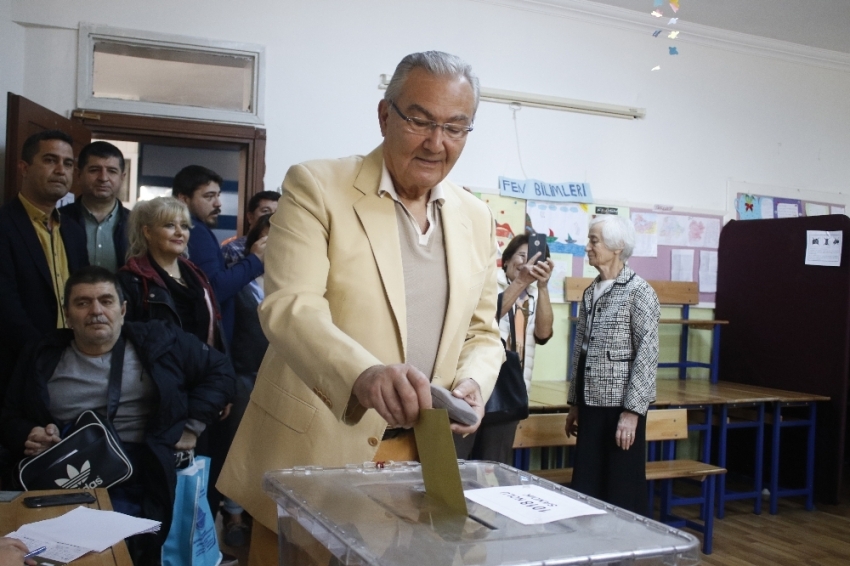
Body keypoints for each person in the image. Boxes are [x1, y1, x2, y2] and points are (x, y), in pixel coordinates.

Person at [218, 50, 503, 564]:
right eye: (420, 120)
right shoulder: (317, 186)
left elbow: (484, 332)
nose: (437, 143)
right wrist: (363, 374)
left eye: (456, 128)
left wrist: (474, 384)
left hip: (423, 459)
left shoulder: (475, 216)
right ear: (384, 115)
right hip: (316, 451)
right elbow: (290, 306)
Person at [0, 266, 234, 563]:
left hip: (143, 473)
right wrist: (28, 433)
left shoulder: (159, 343)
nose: (96, 311)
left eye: (106, 301)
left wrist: (191, 427)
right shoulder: (41, 357)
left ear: (123, 310)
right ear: (68, 314)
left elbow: (221, 371)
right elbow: (9, 417)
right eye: (83, 303)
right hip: (66, 478)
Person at [564, 215, 660, 514]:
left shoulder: (639, 292)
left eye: (594, 240)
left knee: (620, 485)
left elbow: (647, 354)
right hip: (591, 406)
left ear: (617, 247)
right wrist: (575, 403)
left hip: (622, 409)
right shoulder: (591, 291)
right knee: (587, 485)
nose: (588, 247)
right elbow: (581, 350)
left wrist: (632, 412)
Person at [0, 130, 88, 404]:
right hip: (14, 366)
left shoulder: (73, 231)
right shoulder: (4, 225)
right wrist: (42, 355)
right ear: (24, 168)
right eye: (50, 160)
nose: (61, 170)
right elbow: (6, 304)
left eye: (68, 163)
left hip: (70, 364)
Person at [468, 233, 554, 464]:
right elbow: (487, 317)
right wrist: (521, 282)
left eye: (534, 258)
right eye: (521, 255)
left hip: (510, 390)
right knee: (462, 461)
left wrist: (543, 287)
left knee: (494, 463)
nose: (526, 262)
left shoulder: (535, 295)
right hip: (475, 385)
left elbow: (544, 334)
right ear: (505, 260)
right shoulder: (488, 284)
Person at [172, 165, 266, 347]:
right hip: (204, 344)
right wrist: (255, 260)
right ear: (183, 199)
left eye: (218, 195)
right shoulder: (194, 230)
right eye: (209, 196)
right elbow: (213, 288)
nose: (218, 203)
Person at [117, 197, 225, 352]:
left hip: (203, 371)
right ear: (147, 232)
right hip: (157, 373)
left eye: (185, 226)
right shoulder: (130, 280)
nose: (180, 232)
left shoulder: (197, 274)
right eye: (170, 225)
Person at [59, 141, 131, 272]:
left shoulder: (136, 224)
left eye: (112, 171)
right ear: (79, 175)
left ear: (122, 177)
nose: (103, 178)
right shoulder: (59, 219)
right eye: (94, 170)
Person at [220, 190, 279, 257]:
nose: (272, 217)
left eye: (277, 212)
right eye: (266, 211)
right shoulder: (233, 249)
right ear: (250, 217)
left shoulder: (286, 247)